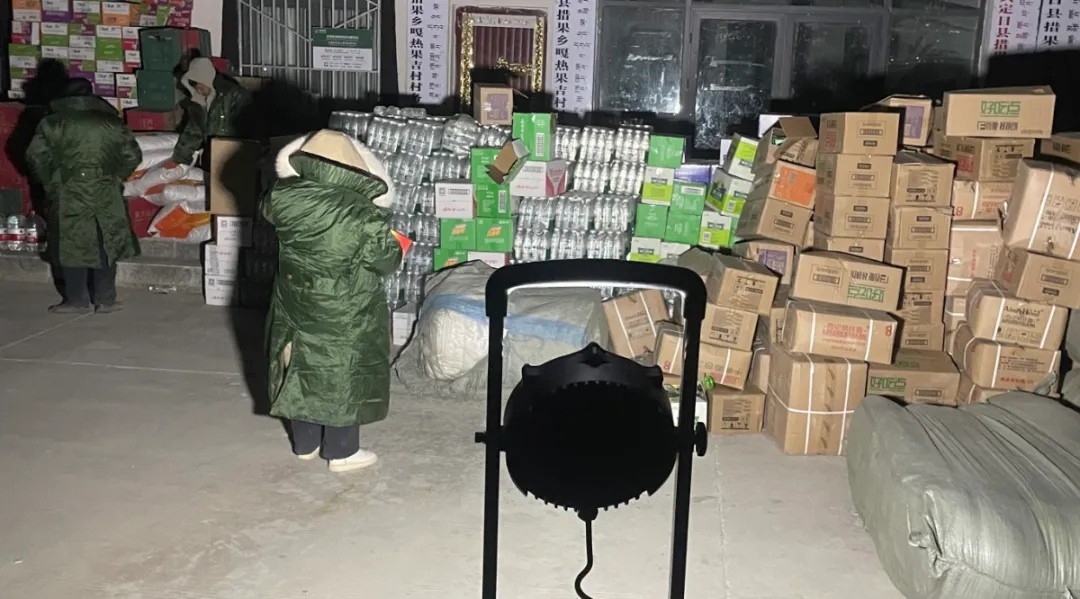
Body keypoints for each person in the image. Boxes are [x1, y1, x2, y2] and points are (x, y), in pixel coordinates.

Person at [263, 130, 403, 473]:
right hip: (346, 306)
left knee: (298, 366)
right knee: (342, 371)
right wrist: (395, 242)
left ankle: (305, 443)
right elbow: (386, 261)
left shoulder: (280, 195)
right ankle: (342, 451)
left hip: (294, 300)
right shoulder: (363, 213)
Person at [26, 77, 142, 314]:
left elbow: (35, 156)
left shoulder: (52, 123)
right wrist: (115, 177)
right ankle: (105, 299)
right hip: (105, 189)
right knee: (105, 241)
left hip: (68, 190)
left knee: (71, 244)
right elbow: (132, 156)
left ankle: (76, 300)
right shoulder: (111, 122)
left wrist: (51, 182)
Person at [168, 56, 248, 167]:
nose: (198, 91)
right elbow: (193, 134)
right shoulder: (198, 105)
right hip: (214, 157)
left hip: (237, 157)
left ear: (206, 78)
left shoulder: (233, 95)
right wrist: (179, 160)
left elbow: (250, 126)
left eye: (200, 87)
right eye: (195, 88)